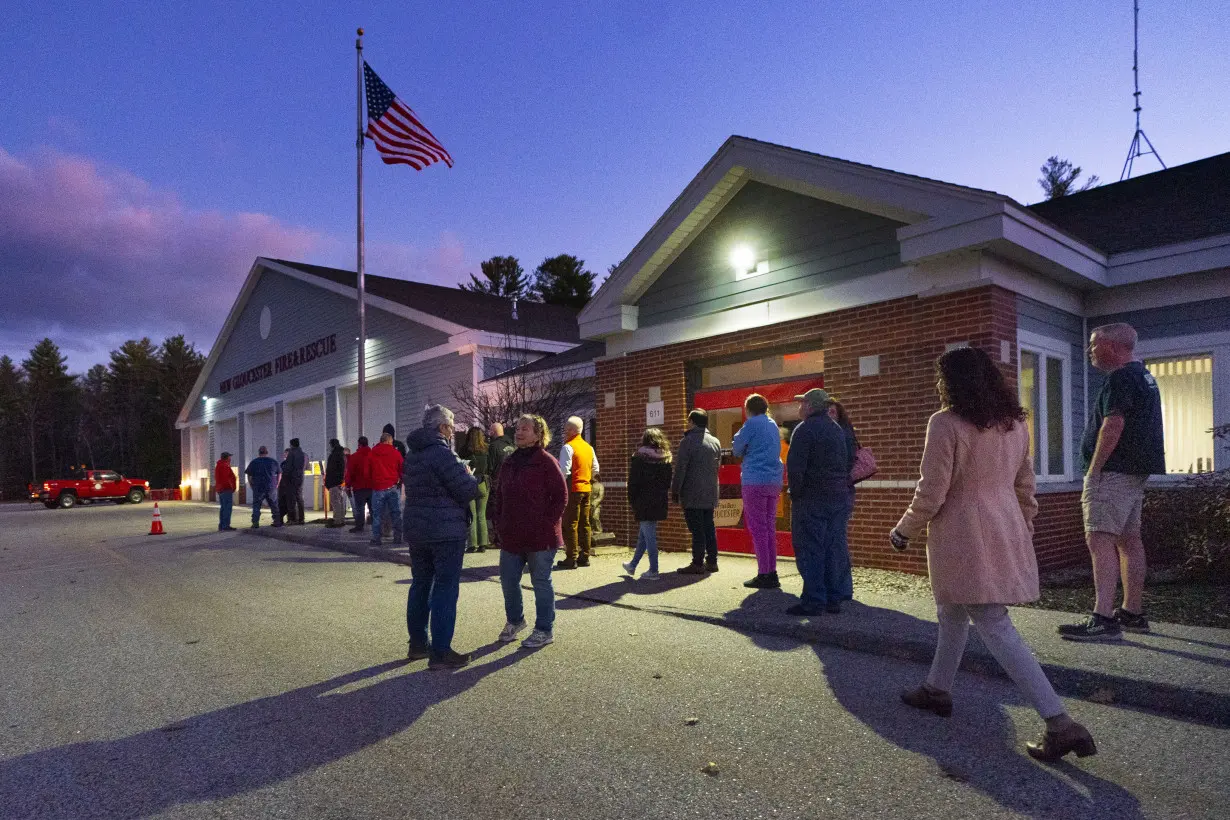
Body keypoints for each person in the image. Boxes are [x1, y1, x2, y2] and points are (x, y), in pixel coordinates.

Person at [891, 346, 1096, 762]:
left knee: (992, 621)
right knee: (951, 610)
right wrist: (1024, 525)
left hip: (962, 531)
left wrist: (903, 530)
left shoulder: (945, 423)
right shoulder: (1015, 424)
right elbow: (1026, 485)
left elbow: (933, 490)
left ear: (951, 382)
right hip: (1003, 523)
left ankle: (1060, 722)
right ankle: (937, 689)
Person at [1059, 322, 1166, 642]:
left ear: (1114, 347)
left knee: (1099, 539)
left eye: (1094, 344)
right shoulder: (1145, 377)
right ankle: (1132, 612)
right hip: (1134, 472)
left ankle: (1102, 618)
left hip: (1114, 472)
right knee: (1129, 540)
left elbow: (1113, 426)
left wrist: (1094, 470)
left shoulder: (1120, 378)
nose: (1090, 350)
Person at [402, 404, 479, 669]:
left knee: (421, 584)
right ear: (443, 427)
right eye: (451, 427)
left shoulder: (413, 455)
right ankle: (441, 652)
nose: (452, 432)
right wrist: (470, 476)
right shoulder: (442, 454)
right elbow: (466, 489)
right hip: (445, 530)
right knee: (445, 588)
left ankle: (418, 644)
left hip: (417, 529)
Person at [492, 414, 568, 649]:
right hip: (512, 535)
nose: (519, 432)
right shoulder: (510, 462)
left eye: (525, 428)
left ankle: (544, 629)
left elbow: (561, 496)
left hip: (541, 536)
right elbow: (500, 495)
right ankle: (516, 621)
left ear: (539, 435)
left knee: (541, 582)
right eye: (517, 428)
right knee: (508, 580)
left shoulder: (546, 461)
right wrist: (499, 524)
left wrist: (547, 523)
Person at [786, 389, 855, 614]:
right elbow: (846, 463)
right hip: (837, 497)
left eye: (802, 402)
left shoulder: (804, 430)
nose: (799, 406)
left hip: (811, 499)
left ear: (809, 406)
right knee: (832, 548)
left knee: (810, 549)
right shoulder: (836, 429)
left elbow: (796, 469)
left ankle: (814, 600)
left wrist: (794, 495)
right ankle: (834, 597)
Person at [733, 393, 785, 589]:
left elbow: (737, 449)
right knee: (770, 528)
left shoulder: (751, 424)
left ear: (748, 410)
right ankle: (772, 571)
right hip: (773, 480)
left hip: (754, 480)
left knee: (758, 529)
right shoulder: (772, 424)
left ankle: (764, 573)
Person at [673, 409, 722, 575]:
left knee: (697, 530)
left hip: (693, 493)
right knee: (709, 527)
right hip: (710, 492)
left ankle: (697, 563)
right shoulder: (715, 441)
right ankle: (712, 561)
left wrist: (675, 490)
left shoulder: (687, 442)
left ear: (692, 422)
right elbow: (717, 467)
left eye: (688, 421)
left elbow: (681, 469)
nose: (687, 424)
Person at [623, 428, 672, 580]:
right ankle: (632, 565)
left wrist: (632, 500)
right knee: (643, 535)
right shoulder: (666, 457)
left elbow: (633, 482)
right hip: (659, 500)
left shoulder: (639, 457)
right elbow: (667, 482)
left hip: (643, 500)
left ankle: (654, 570)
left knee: (649, 536)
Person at [826, 398, 859, 601]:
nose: (830, 415)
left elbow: (844, 464)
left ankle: (840, 589)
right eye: (827, 411)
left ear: (839, 414)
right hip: (843, 491)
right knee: (838, 540)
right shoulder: (845, 431)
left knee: (836, 540)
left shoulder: (841, 434)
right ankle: (843, 587)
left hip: (840, 492)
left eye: (833, 411)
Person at [557, 416, 599, 570]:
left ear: (571, 430)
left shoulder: (568, 447)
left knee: (570, 523)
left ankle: (571, 557)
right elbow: (596, 469)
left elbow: (563, 471)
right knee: (585, 523)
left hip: (573, 489)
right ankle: (585, 555)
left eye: (566, 429)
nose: (565, 432)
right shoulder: (589, 447)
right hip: (587, 488)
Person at [369, 430, 404, 546]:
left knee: (377, 514)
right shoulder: (395, 453)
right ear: (389, 441)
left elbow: (368, 470)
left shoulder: (373, 452)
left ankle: (376, 538)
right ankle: (398, 537)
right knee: (396, 513)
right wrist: (400, 480)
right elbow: (402, 468)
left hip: (378, 487)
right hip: (393, 487)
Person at [459, 426, 491, 553]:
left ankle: (472, 544)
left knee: (471, 514)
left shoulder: (464, 450)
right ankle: (483, 543)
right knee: (481, 514)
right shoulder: (486, 449)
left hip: (469, 482)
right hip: (483, 482)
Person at [486, 422, 515, 545]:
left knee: (497, 511)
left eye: (490, 431)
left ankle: (499, 538)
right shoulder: (512, 445)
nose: (489, 433)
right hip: (512, 481)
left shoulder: (493, 446)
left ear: (493, 432)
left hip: (498, 482)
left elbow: (490, 467)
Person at [244, 446, 281, 529]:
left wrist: (251, 484)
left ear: (259, 452)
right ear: (267, 452)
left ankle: (255, 523)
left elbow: (249, 475)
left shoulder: (254, 462)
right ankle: (277, 521)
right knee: (274, 504)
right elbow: (279, 473)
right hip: (271, 487)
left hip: (258, 487)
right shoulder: (273, 461)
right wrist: (277, 484)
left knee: (256, 505)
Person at [347, 437, 373, 534]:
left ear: (359, 444)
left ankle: (359, 526)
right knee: (373, 508)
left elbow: (350, 473)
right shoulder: (373, 455)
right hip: (372, 486)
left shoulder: (354, 457)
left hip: (359, 487)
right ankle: (376, 526)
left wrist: (348, 485)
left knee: (360, 508)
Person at [324, 438, 347, 528]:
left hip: (334, 481)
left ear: (332, 445)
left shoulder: (334, 455)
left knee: (335, 502)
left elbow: (331, 470)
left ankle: (337, 521)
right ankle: (341, 519)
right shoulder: (341, 454)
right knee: (339, 501)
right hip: (339, 481)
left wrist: (328, 482)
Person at [284, 437, 307, 525]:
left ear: (292, 444)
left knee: (291, 499)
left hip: (291, 478)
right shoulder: (302, 453)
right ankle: (301, 518)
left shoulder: (291, 453)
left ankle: (292, 519)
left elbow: (288, 466)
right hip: (300, 478)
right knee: (299, 498)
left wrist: (285, 477)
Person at [214, 451, 237, 531]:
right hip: (226, 489)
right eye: (229, 457)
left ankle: (222, 525)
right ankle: (225, 525)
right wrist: (231, 487)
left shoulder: (219, 465)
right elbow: (226, 479)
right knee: (227, 508)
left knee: (223, 508)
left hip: (221, 489)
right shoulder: (224, 466)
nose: (230, 458)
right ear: (227, 457)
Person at [275, 448, 293, 526]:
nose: (284, 454)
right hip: (282, 486)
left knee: (288, 503)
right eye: (284, 453)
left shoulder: (291, 464)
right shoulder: (283, 463)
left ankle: (290, 519)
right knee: (281, 503)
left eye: (286, 453)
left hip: (288, 486)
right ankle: (280, 519)